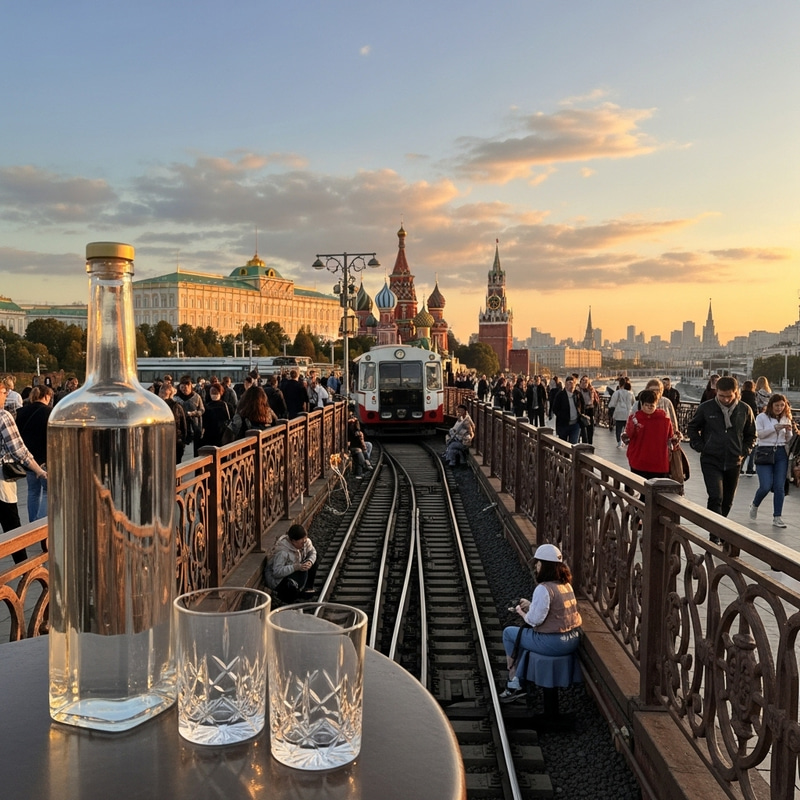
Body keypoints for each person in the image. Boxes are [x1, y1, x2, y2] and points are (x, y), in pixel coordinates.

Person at [500, 543, 582, 701]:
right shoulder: (566, 586)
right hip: (572, 640)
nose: (536, 566)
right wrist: (531, 605)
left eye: (538, 563)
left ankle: (514, 680)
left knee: (510, 633)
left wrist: (520, 612)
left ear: (545, 566)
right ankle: (519, 677)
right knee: (524, 636)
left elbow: (534, 620)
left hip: (552, 643)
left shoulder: (544, 588)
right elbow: (555, 612)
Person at [687, 376, 756, 535]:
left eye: (729, 396)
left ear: (736, 393)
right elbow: (692, 428)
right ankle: (715, 533)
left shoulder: (744, 410)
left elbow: (751, 435)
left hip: (734, 461)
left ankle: (718, 527)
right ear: (716, 392)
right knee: (715, 497)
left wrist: (743, 451)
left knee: (728, 501)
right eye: (721, 396)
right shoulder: (706, 408)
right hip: (711, 459)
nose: (725, 400)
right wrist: (700, 446)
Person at [0, 383, 48, 563]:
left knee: (31, 495)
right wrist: (38, 470)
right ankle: (24, 570)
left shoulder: (16, 412)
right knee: (12, 527)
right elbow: (18, 449)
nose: (6, 396)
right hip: (2, 482)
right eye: (4, 393)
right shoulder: (3, 416)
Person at [749, 394, 796, 529]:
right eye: (777, 405)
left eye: (782, 405)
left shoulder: (786, 417)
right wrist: (775, 428)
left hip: (781, 452)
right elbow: (760, 434)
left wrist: (787, 431)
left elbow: (788, 439)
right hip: (765, 451)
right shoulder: (762, 417)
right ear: (771, 405)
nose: (779, 408)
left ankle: (777, 516)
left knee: (779, 486)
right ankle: (755, 504)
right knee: (765, 485)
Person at [14, 384, 53, 522]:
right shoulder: (50, 412)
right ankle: (41, 524)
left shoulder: (21, 411)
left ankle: (32, 523)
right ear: (47, 396)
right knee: (48, 492)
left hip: (28, 460)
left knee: (33, 492)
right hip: (45, 459)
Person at [624, 389, 677, 480]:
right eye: (646, 405)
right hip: (641, 462)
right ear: (641, 404)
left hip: (656, 463)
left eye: (651, 405)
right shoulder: (635, 418)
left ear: (656, 404)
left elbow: (670, 437)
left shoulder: (664, 419)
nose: (649, 408)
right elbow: (629, 434)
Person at [264, 523, 318, 603]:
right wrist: (295, 567)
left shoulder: (304, 543)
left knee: (314, 561)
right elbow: (277, 572)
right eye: (301, 543)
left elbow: (312, 552)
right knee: (290, 588)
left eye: (305, 541)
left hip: (292, 571)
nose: (304, 545)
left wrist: (310, 561)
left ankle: (307, 589)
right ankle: (291, 597)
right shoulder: (282, 552)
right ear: (293, 541)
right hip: (278, 580)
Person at [175, 376, 205, 457]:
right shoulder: (176, 398)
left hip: (195, 425)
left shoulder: (196, 397)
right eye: (182, 388)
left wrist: (194, 413)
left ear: (190, 387)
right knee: (180, 451)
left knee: (197, 449)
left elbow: (202, 409)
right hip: (181, 426)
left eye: (186, 388)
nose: (184, 390)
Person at [159, 382, 188, 463]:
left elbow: (183, 425)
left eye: (164, 391)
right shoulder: (157, 405)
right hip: (169, 440)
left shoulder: (175, 406)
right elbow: (184, 426)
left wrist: (182, 441)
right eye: (161, 391)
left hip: (170, 440)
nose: (162, 393)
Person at [551, 376, 584, 444]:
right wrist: (562, 416)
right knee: (563, 445)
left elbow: (582, 406)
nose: (572, 385)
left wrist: (581, 415)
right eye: (570, 383)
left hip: (575, 424)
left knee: (573, 444)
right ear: (565, 384)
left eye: (573, 383)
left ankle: (572, 454)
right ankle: (564, 454)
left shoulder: (577, 394)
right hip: (564, 425)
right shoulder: (560, 395)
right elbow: (555, 408)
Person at [199, 383, 232, 448]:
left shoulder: (227, 406)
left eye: (216, 392)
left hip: (222, 434)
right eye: (212, 393)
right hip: (210, 435)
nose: (214, 394)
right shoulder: (206, 406)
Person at [608, 378, 635, 447]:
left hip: (619, 412)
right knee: (627, 428)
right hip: (628, 413)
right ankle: (626, 441)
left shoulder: (617, 392)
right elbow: (633, 403)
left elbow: (612, 404)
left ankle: (619, 441)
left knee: (618, 428)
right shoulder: (630, 393)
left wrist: (611, 407)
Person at [739, 380, 758, 476]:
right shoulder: (754, 396)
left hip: (741, 423)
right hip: (752, 422)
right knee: (751, 446)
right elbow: (755, 410)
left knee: (741, 444)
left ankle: (740, 467)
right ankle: (750, 468)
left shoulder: (740, 396)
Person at [348, 409, 373, 477]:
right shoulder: (353, 428)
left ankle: (367, 462)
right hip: (353, 446)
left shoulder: (354, 428)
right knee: (361, 451)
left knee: (369, 445)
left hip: (356, 444)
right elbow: (360, 442)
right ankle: (366, 464)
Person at [577, 375, 601, 444]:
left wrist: (596, 412)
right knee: (580, 430)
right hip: (581, 411)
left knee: (590, 429)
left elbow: (595, 401)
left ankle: (589, 444)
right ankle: (579, 444)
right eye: (583, 381)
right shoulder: (577, 390)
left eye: (586, 381)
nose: (584, 383)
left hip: (590, 410)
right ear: (580, 381)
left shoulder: (591, 390)